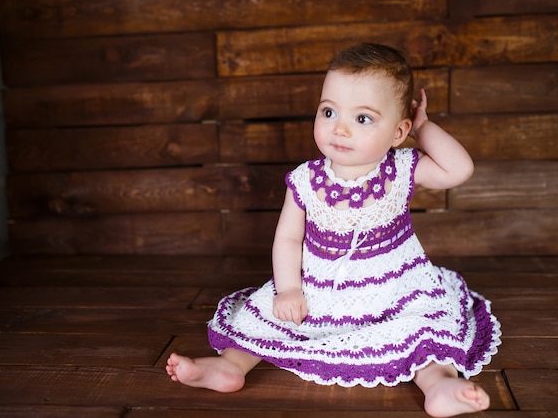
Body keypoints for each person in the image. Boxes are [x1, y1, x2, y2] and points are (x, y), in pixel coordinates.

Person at [166, 43, 501, 418]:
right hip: (318, 289)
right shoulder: (307, 180)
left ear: (398, 131)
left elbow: (459, 170)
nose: (339, 128)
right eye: (329, 111)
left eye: (363, 119)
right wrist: (290, 288)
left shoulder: (402, 168)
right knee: (265, 320)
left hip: (395, 291)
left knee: (422, 331)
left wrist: (423, 129)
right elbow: (289, 239)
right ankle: (230, 366)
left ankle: (439, 385)